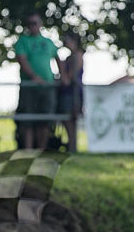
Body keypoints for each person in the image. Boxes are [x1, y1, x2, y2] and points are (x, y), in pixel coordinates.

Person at [14, 12, 60, 150]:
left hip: (47, 87)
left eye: (35, 23)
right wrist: (34, 77)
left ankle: (41, 150)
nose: (32, 26)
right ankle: (28, 150)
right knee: (28, 121)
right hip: (29, 87)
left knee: (45, 121)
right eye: (29, 24)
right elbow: (22, 60)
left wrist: (62, 76)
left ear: (40, 25)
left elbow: (58, 58)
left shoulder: (48, 42)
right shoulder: (22, 41)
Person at [57, 32, 84, 152]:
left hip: (73, 93)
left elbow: (71, 76)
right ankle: (71, 145)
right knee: (66, 119)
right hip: (66, 92)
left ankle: (73, 147)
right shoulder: (68, 58)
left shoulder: (78, 56)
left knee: (71, 119)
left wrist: (63, 74)